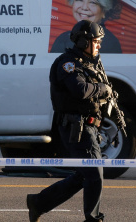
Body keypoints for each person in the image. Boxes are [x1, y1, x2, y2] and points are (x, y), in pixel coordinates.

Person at [27, 20, 113, 222]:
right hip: (77, 127)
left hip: (89, 127)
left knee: (85, 176)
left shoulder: (90, 63)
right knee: (94, 176)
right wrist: (102, 89)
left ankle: (39, 203)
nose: (99, 46)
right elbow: (80, 90)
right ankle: (93, 219)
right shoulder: (68, 64)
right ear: (83, 42)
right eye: (96, 41)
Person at [50, 0, 122, 53]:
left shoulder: (111, 44)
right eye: (79, 0)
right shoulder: (62, 39)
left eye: (93, 2)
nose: (84, 7)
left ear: (104, 11)